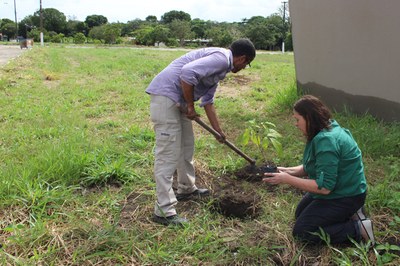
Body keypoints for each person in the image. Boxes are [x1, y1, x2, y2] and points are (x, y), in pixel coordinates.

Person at [146, 38, 256, 226]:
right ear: (242, 59)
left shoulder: (221, 69)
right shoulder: (222, 58)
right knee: (168, 154)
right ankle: (164, 210)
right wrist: (190, 105)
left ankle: (186, 188)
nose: (245, 68)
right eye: (247, 64)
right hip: (167, 98)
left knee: (186, 146)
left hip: (179, 101)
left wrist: (218, 131)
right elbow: (187, 73)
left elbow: (207, 101)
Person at [263, 95, 375, 245]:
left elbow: (325, 188)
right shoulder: (325, 129)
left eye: (297, 119)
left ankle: (359, 229)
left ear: (309, 118)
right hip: (340, 189)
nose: (296, 124)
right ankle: (350, 214)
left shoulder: (327, 140)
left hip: (346, 195)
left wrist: (286, 179)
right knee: (300, 214)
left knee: (302, 232)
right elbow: (312, 166)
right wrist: (281, 170)